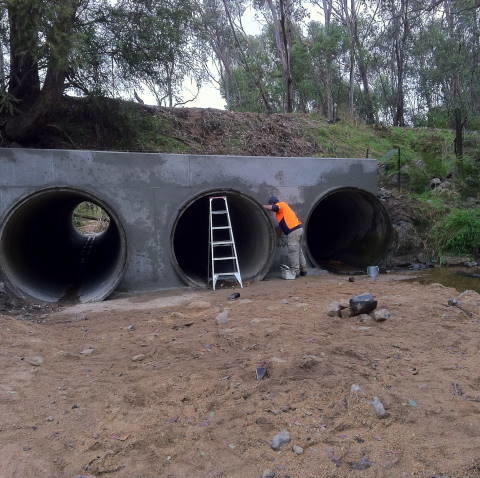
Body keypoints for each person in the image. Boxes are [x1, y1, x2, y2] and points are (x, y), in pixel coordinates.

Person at [263, 196, 307, 277]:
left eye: (271, 205)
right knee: (298, 251)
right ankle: (303, 270)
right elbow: (283, 225)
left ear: (273, 203)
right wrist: (279, 234)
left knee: (293, 251)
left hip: (293, 231)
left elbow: (274, 207)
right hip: (298, 230)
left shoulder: (282, 205)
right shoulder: (282, 213)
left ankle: (295, 271)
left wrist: (263, 206)